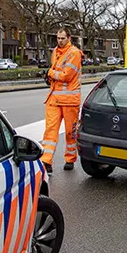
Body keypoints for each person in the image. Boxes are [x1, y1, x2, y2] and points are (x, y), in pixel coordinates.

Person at [41, 27, 83, 173]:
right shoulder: (55, 52)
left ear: (69, 38)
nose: (59, 41)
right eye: (58, 38)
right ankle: (46, 161)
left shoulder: (74, 53)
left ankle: (70, 159)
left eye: (62, 38)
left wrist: (50, 73)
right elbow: (58, 73)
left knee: (70, 133)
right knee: (50, 131)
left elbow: (66, 76)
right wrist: (50, 77)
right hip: (54, 98)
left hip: (70, 100)